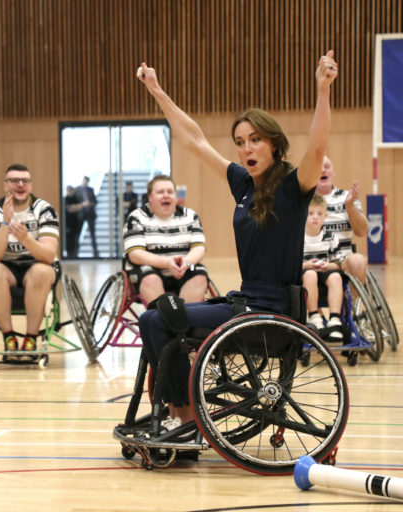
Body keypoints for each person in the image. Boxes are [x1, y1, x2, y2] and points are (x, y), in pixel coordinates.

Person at [134, 50, 337, 428]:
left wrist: (322, 90)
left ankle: (185, 417)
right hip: (243, 303)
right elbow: (195, 141)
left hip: (269, 311)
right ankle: (180, 411)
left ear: (273, 144)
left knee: (158, 321)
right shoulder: (243, 184)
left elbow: (317, 148)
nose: (246, 149)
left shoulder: (293, 187)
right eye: (240, 142)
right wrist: (157, 92)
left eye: (255, 140)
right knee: (151, 318)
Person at [0, 164, 60, 352]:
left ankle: (31, 338)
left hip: (38, 264)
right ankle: (9, 337)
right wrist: (5, 222)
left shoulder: (45, 210)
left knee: (41, 272)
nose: (20, 185)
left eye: (25, 181)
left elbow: (48, 256)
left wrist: (26, 238)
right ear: (5, 185)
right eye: (14, 181)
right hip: (6, 266)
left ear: (30, 185)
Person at [124, 174, 208, 305]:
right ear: (150, 197)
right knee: (150, 278)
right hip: (149, 270)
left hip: (184, 267)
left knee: (199, 273)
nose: (166, 195)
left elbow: (199, 248)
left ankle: (186, 315)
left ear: (175, 196)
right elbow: (135, 255)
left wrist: (186, 262)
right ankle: (165, 315)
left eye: (170, 192)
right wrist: (167, 263)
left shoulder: (190, 216)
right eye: (160, 192)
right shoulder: (136, 217)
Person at [316, 155, 368, 283]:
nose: (323, 170)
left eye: (327, 167)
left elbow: (362, 231)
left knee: (359, 261)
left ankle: (354, 296)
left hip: (342, 261)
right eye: (318, 167)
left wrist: (350, 206)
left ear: (333, 172)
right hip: (311, 260)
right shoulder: (302, 199)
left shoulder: (347, 196)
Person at [302, 195, 343, 341]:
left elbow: (339, 263)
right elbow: (291, 264)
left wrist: (327, 265)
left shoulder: (330, 236)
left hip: (325, 271)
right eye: (311, 213)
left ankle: (335, 320)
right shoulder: (298, 237)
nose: (315, 217)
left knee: (336, 276)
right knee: (310, 275)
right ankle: (315, 317)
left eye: (319, 214)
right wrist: (307, 265)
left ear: (325, 216)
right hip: (305, 273)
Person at [75, 176, 99, 257]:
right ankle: (75, 250)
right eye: (85, 181)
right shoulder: (77, 190)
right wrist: (82, 204)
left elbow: (95, 201)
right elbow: (75, 201)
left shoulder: (91, 190)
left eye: (87, 181)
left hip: (90, 214)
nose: (85, 182)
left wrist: (90, 203)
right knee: (78, 233)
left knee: (92, 233)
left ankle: (95, 251)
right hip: (81, 214)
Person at [64, 185, 82, 258]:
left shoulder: (76, 198)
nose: (70, 192)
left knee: (76, 239)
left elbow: (80, 207)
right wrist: (75, 207)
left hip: (76, 223)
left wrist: (74, 207)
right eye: (69, 190)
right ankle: (69, 255)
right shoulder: (65, 199)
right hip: (68, 223)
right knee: (69, 240)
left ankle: (75, 254)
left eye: (71, 190)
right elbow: (69, 209)